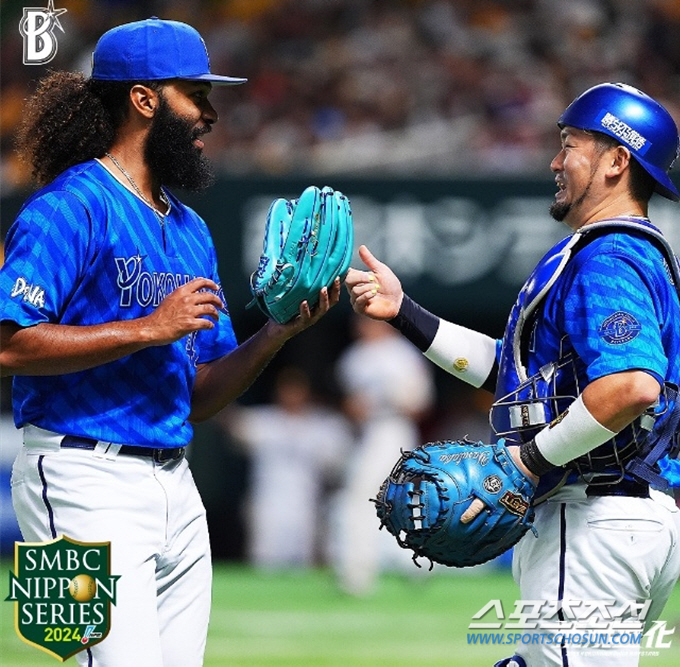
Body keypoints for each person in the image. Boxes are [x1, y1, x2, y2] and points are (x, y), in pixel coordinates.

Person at [0, 18, 340, 667]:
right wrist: (149, 328)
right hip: (76, 476)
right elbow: (8, 344)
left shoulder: (192, 232)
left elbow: (201, 394)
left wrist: (276, 334)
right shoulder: (68, 207)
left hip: (175, 484)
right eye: (197, 94)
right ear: (145, 98)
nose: (210, 114)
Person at [345, 82, 680, 666]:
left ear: (617, 160)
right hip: (619, 515)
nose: (555, 160)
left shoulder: (609, 255)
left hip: (594, 517)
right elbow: (510, 371)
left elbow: (631, 386)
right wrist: (405, 313)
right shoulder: (618, 251)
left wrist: (527, 463)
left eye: (570, 144)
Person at [332, 315, 435, 595]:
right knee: (362, 499)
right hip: (369, 433)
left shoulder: (402, 353)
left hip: (397, 429)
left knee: (403, 499)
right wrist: (356, 409)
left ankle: (413, 562)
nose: (364, 327)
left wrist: (394, 400)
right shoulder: (355, 357)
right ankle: (360, 571)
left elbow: (420, 404)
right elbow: (349, 405)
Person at [224, 365, 351, 569]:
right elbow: (233, 423)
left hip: (305, 506)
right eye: (287, 390)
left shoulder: (321, 426)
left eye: (296, 390)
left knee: (302, 563)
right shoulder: (265, 420)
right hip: (267, 503)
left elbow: (338, 461)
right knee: (264, 561)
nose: (292, 395)